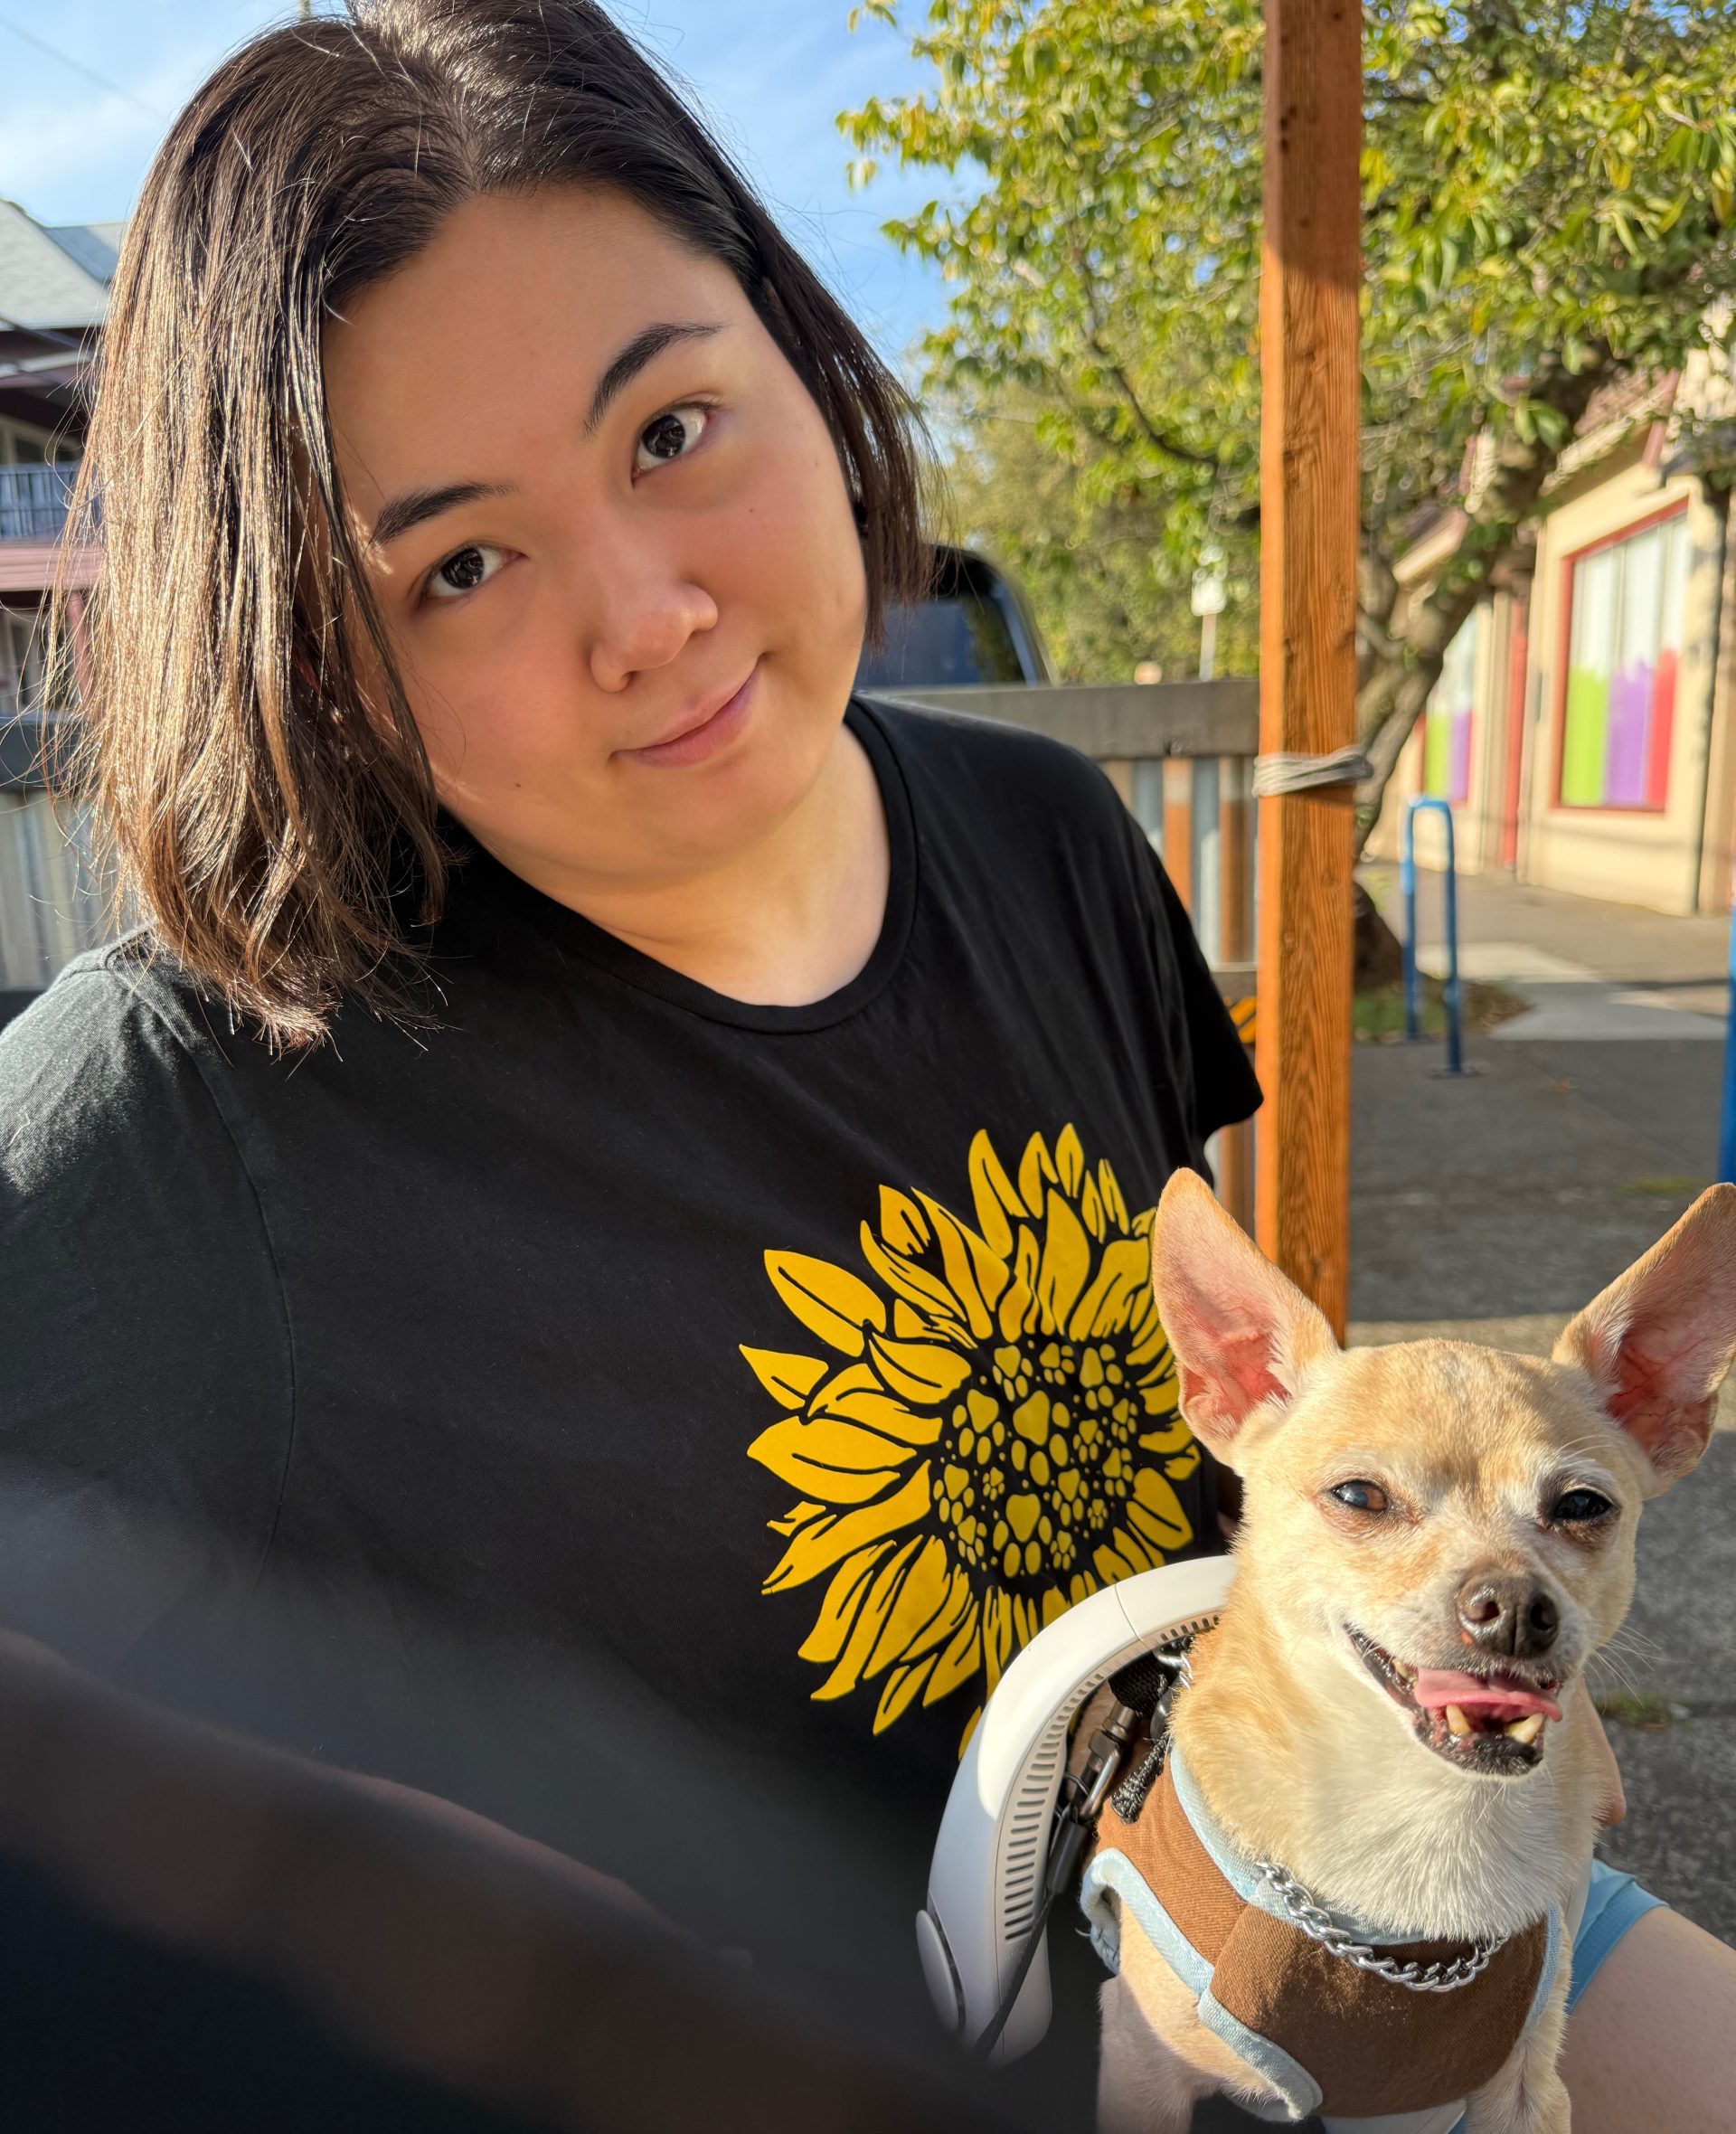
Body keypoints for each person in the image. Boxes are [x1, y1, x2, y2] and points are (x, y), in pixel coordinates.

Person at [0, 4, 1727, 2129]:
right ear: (309, 645)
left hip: (1311, 1878)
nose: (648, 613)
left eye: (669, 429)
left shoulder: (1051, 844)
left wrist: (1478, 1661)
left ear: (803, 364)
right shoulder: (198, 1098)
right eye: (458, 564)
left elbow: (1270, 1448)